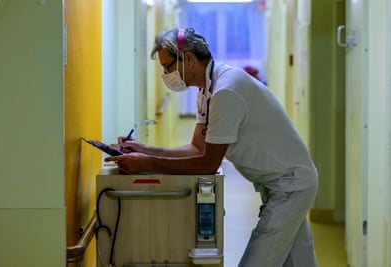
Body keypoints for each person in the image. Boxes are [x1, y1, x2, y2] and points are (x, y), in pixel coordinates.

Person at [105, 27, 319, 267]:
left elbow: (207, 164)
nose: (165, 74)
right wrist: (144, 149)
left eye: (167, 67)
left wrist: (147, 163)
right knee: (300, 262)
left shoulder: (227, 90)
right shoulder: (207, 89)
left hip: (291, 185)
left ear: (188, 58)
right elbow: (196, 148)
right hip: (282, 183)